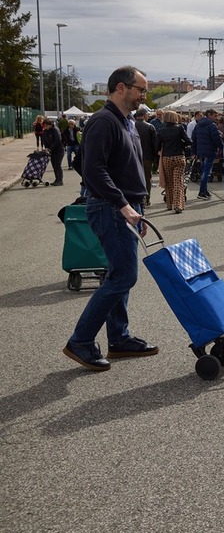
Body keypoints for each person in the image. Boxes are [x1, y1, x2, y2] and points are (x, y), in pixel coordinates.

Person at [63, 65, 157, 371]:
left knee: (120, 273)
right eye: (141, 89)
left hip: (126, 206)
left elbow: (82, 162)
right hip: (112, 208)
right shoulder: (103, 120)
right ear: (121, 87)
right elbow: (91, 168)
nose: (144, 95)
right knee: (123, 276)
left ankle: (119, 338)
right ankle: (81, 341)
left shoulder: (126, 120)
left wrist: (134, 204)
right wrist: (120, 203)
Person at [157, 110, 191, 213]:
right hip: (179, 157)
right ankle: (178, 205)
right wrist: (182, 144)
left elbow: (157, 145)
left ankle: (169, 204)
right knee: (178, 181)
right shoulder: (180, 128)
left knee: (169, 182)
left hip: (167, 157)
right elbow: (188, 141)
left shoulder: (161, 130)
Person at [191, 109, 222, 199]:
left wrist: (194, 152)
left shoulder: (198, 125)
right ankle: (201, 192)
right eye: (215, 116)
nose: (216, 118)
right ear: (209, 115)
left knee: (204, 171)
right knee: (206, 172)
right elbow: (216, 138)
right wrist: (221, 147)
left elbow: (194, 139)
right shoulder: (212, 125)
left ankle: (205, 190)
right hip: (209, 151)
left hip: (200, 152)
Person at [134, 106, 158, 206]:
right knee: (147, 178)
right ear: (144, 115)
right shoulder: (150, 127)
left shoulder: (131, 125)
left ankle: (137, 199)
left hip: (133, 156)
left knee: (135, 178)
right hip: (147, 157)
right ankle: (146, 199)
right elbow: (155, 144)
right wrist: (156, 158)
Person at [40, 119, 65, 186]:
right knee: (54, 165)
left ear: (50, 124)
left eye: (46, 125)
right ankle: (57, 179)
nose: (45, 127)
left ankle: (60, 180)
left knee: (57, 164)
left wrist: (50, 148)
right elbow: (44, 140)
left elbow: (58, 140)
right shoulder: (45, 131)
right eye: (44, 125)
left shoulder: (55, 130)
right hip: (51, 151)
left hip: (59, 150)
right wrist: (46, 148)